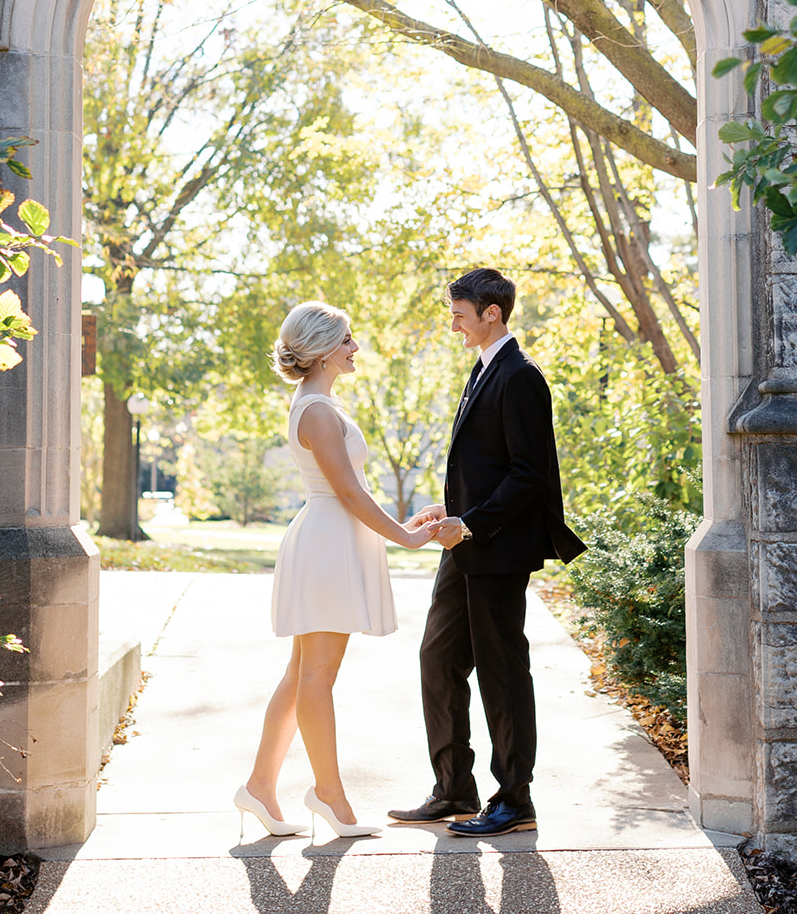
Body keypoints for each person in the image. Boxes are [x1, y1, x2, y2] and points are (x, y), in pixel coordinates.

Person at [235, 300, 443, 841]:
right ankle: (328, 793)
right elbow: (347, 492)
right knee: (317, 677)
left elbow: (354, 488)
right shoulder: (318, 411)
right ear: (324, 349)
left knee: (302, 672)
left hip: (329, 539)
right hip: (326, 544)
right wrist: (408, 538)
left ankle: (259, 785)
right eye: (347, 339)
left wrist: (403, 522)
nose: (355, 348)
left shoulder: (318, 402)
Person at [389, 267, 586, 838]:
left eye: (459, 315)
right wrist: (445, 509)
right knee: (438, 658)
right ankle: (453, 788)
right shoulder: (483, 371)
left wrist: (470, 524)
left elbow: (529, 476)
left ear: (491, 313)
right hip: (465, 545)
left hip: (497, 550)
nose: (453, 326)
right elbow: (487, 466)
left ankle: (514, 800)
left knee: (502, 673)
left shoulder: (521, 377)